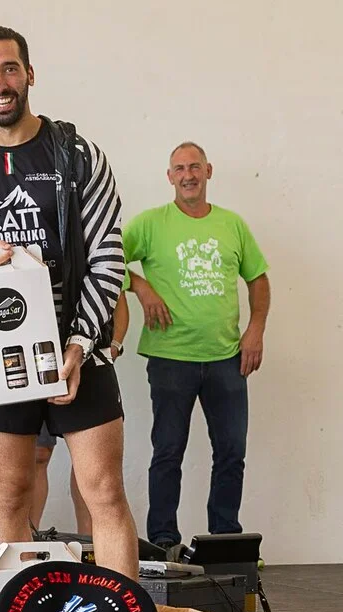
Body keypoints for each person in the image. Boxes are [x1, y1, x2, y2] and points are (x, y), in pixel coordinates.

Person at [0, 26, 138, 579]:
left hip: (79, 351)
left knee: (105, 491)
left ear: (30, 74)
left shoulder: (78, 156)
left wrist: (79, 345)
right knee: (8, 493)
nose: (0, 83)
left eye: (9, 68)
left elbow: (107, 257)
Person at [123, 141, 271, 550]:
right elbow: (107, 258)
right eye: (179, 169)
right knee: (168, 452)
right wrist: (141, 287)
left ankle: (225, 540)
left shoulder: (232, 225)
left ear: (208, 170)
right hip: (170, 358)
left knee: (231, 453)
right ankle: (164, 542)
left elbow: (258, 278)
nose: (188, 175)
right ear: (169, 177)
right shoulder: (150, 224)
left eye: (194, 167)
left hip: (227, 358)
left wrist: (256, 330)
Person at [29, 286, 130, 536]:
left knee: (94, 470)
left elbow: (116, 293)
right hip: (28, 360)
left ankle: (90, 544)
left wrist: (114, 345)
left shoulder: (101, 259)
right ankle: (29, 540)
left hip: (86, 360)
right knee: (36, 457)